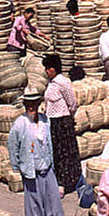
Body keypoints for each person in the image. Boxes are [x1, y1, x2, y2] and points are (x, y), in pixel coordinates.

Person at [7, 91, 65, 216]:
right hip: (31, 169)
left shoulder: (45, 120)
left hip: (46, 167)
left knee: (52, 199)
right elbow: (12, 144)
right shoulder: (20, 123)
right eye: (28, 105)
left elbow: (49, 143)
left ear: (38, 104)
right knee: (34, 203)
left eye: (33, 104)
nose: (31, 108)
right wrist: (17, 166)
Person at [42, 54, 82, 194]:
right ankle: (57, 180)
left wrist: (68, 118)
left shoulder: (63, 82)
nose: (47, 71)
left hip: (63, 121)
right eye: (46, 68)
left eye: (50, 68)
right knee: (55, 152)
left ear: (56, 68)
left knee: (65, 153)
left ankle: (66, 182)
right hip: (52, 121)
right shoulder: (51, 83)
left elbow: (72, 103)